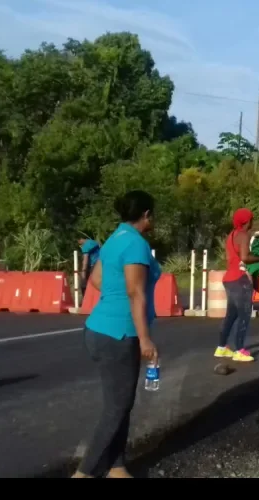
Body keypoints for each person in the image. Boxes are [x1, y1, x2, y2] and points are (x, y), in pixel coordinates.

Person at [74, 190, 160, 479]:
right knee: (117, 407)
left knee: (120, 402)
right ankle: (84, 473)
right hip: (120, 334)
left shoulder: (115, 239)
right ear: (146, 215)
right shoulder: (136, 245)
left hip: (98, 329)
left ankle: (117, 466)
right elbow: (136, 293)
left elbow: (96, 279)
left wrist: (114, 298)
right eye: (153, 215)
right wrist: (145, 338)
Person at [214, 208, 259, 363]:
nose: (252, 222)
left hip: (229, 278)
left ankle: (222, 347)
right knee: (244, 315)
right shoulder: (244, 235)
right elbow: (245, 257)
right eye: (251, 219)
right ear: (246, 221)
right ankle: (239, 350)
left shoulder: (230, 236)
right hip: (239, 279)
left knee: (231, 315)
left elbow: (232, 258)